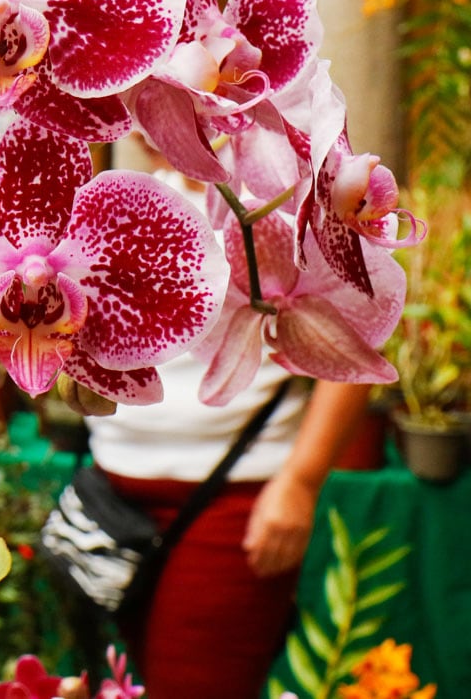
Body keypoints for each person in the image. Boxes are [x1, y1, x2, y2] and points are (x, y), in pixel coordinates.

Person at [85, 162, 372, 699]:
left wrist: (301, 482)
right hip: (116, 504)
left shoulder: (287, 203)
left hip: (230, 503)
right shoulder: (136, 199)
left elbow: (357, 344)